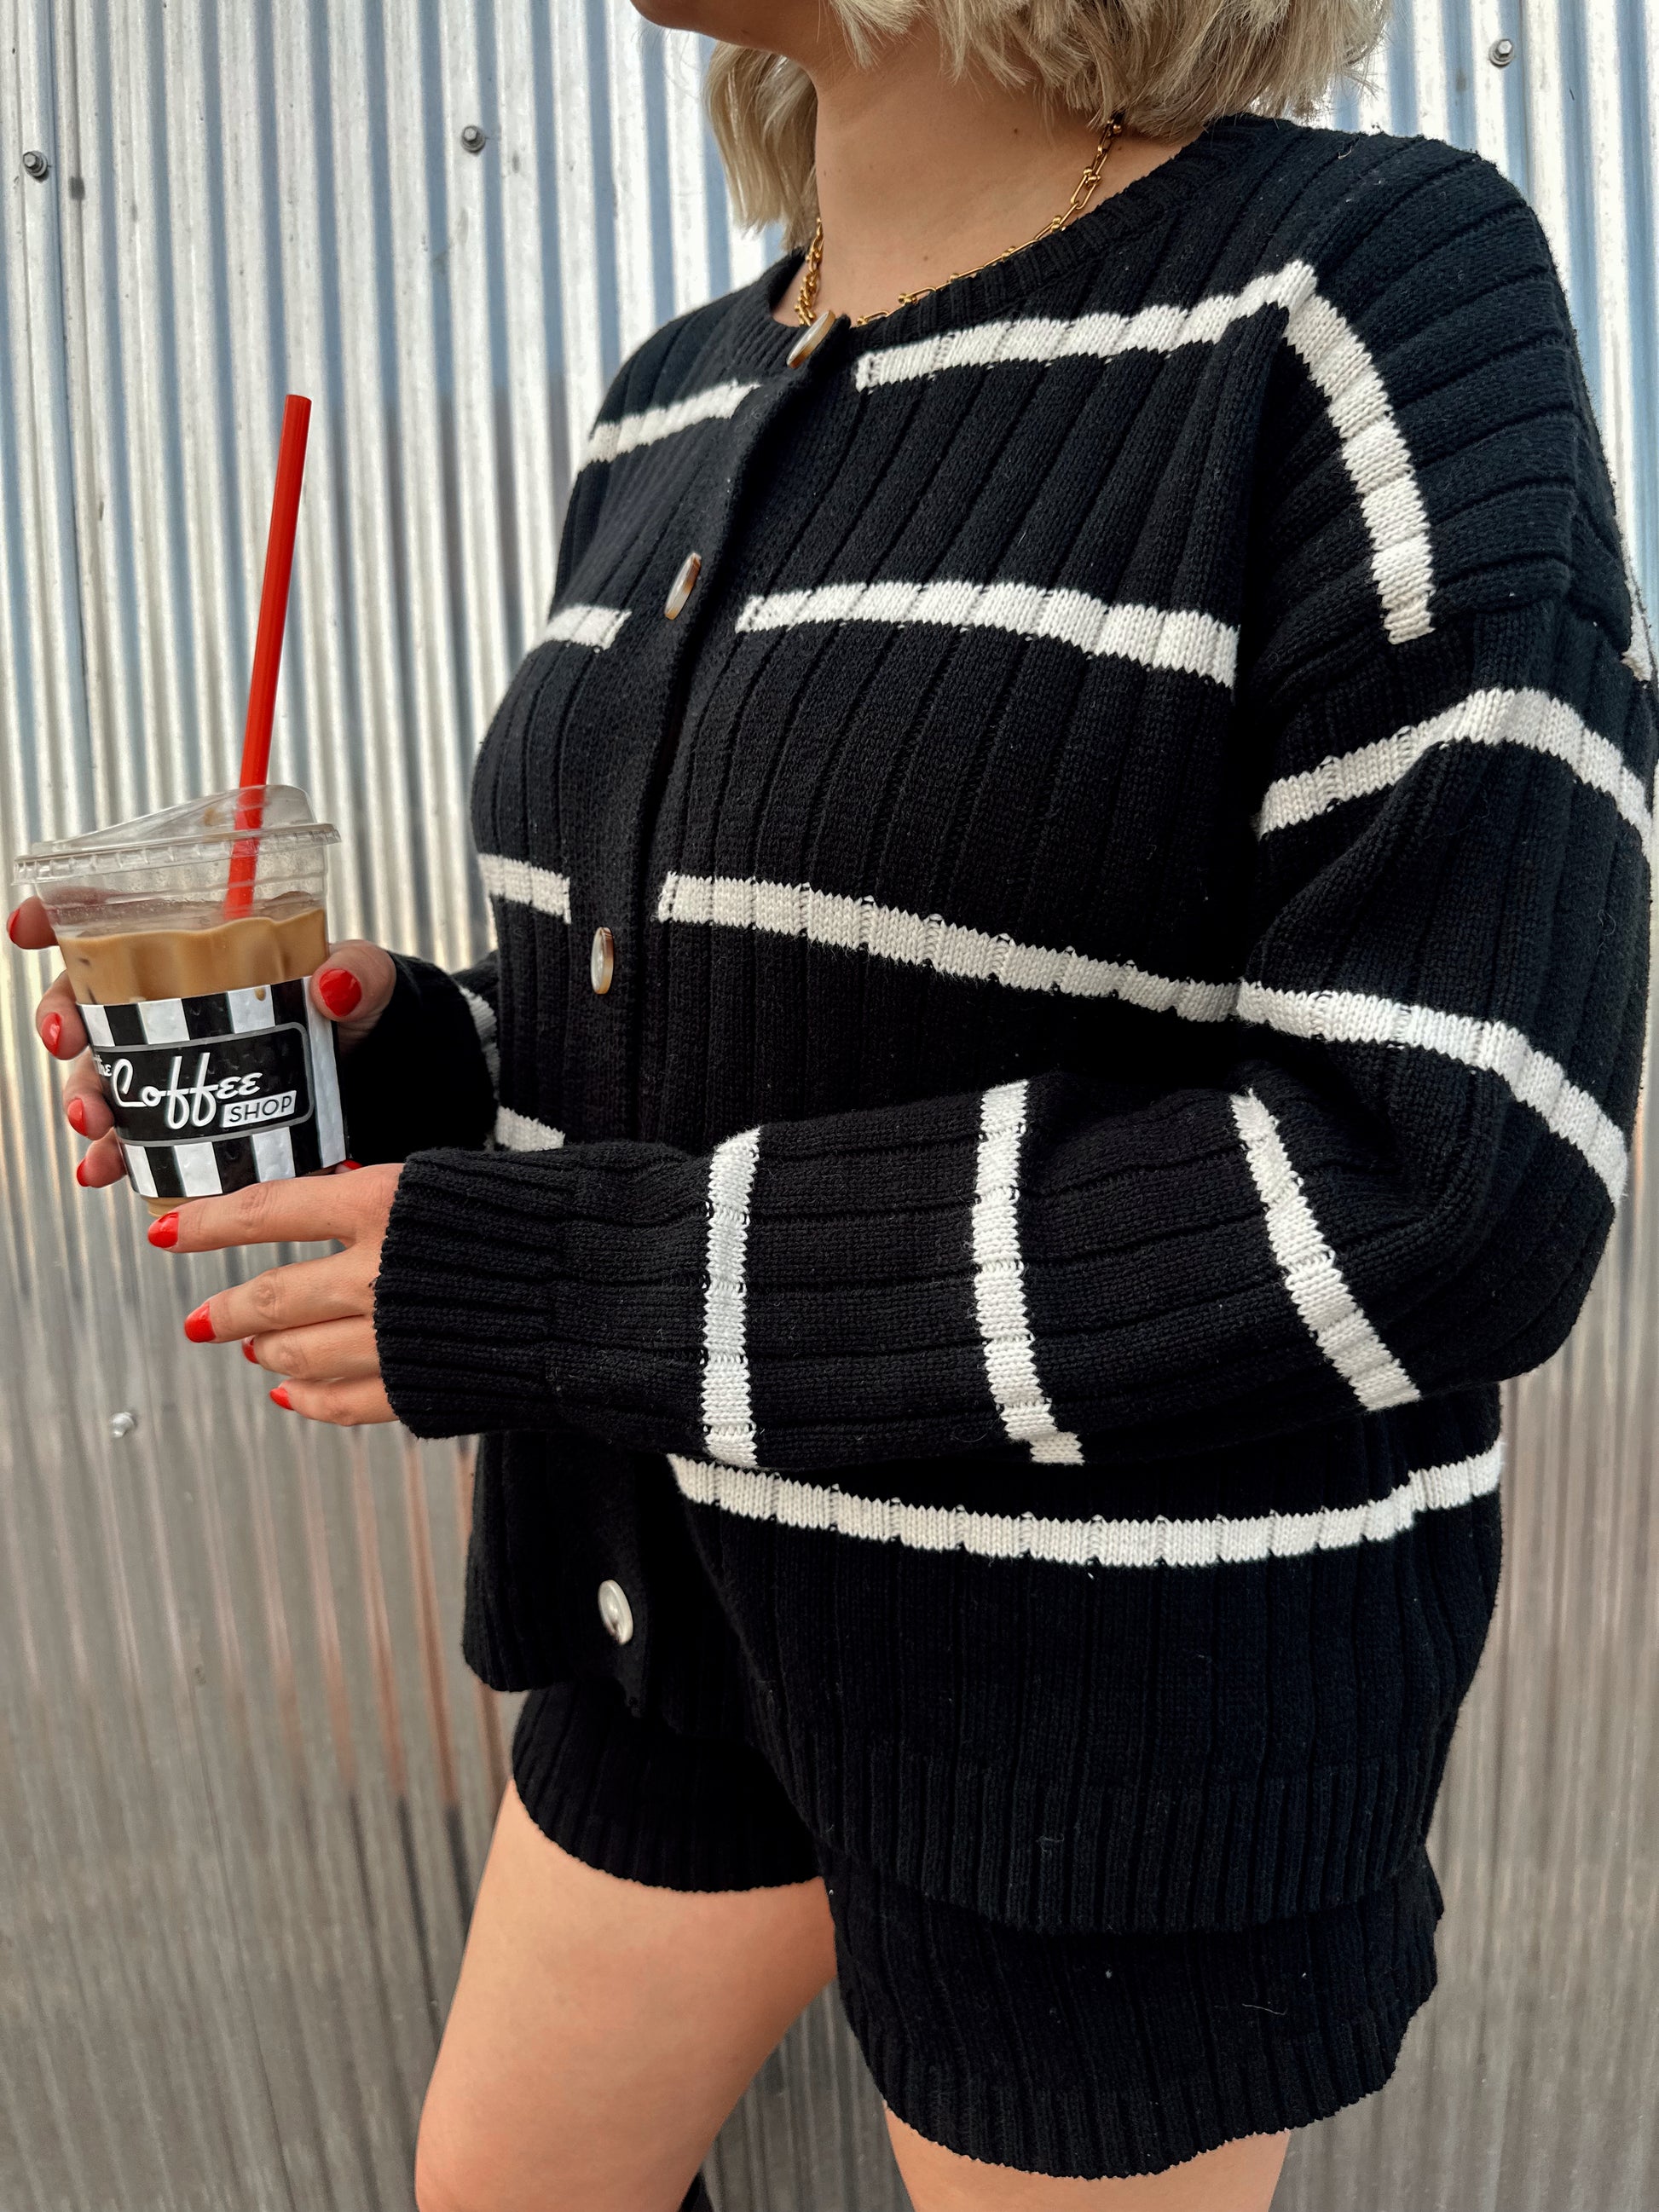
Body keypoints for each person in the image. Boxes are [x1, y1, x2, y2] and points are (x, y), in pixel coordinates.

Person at [17, 0, 1656, 2204]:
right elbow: (723, 1019)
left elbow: (1451, 1174)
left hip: (1097, 1706)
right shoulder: (676, 397)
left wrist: (561, 1286)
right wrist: (396, 1057)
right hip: (669, 1606)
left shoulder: (1348, 294)